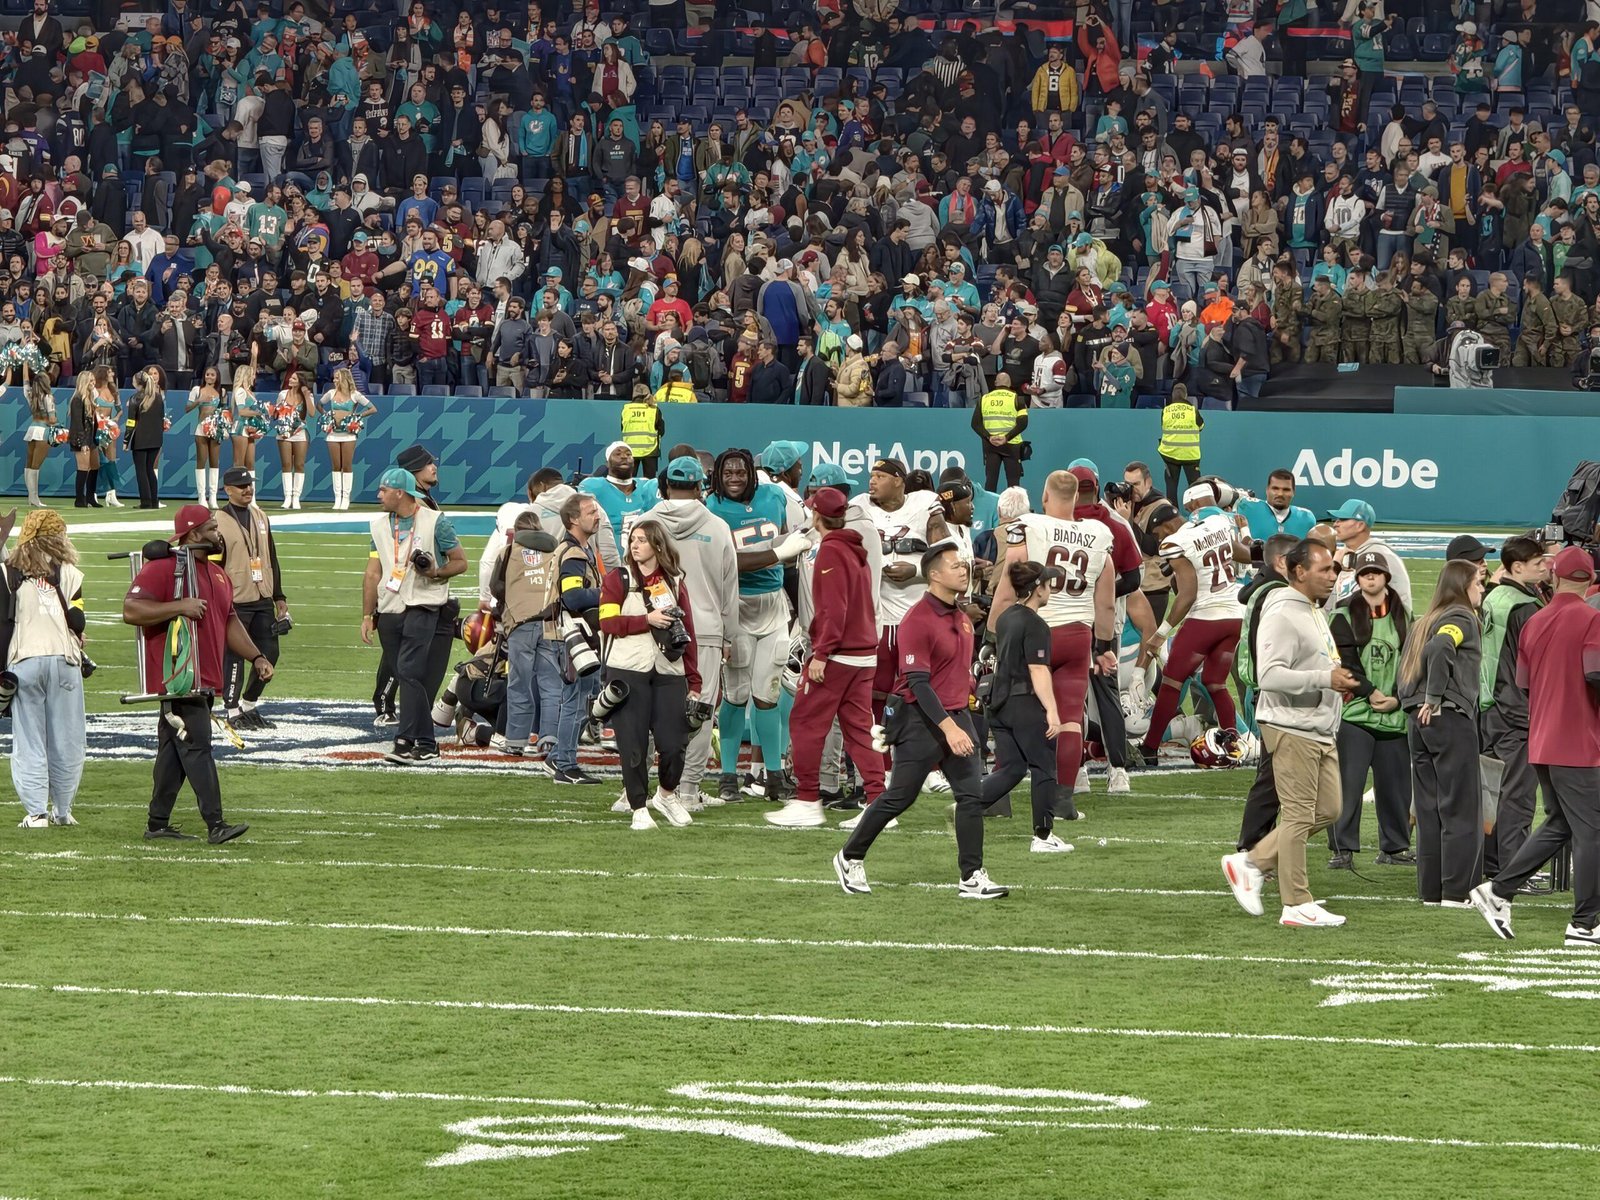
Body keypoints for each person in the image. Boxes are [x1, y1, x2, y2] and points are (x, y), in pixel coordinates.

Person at [832, 541, 1009, 900]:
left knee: (971, 797)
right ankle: (849, 856)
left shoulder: (962, 618)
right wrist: (949, 727)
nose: (963, 570)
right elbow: (918, 683)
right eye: (955, 565)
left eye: (963, 565)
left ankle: (971, 876)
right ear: (934, 575)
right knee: (900, 797)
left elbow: (955, 675)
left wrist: (968, 711)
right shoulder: (917, 619)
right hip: (921, 720)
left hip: (956, 717)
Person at [1221, 539, 1360, 928]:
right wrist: (1324, 679)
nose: (1333, 576)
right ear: (1299, 572)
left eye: (1334, 569)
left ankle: (1252, 863)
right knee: (1299, 814)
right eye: (1325, 569)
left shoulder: (1311, 608)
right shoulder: (1283, 611)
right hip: (1291, 725)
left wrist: (1336, 682)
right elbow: (1269, 675)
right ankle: (1296, 903)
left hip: (1318, 725)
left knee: (1328, 809)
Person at [1472, 547, 1600, 947]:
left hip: (1541, 739)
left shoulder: (1535, 619)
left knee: (1562, 824)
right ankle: (1585, 923)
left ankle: (1498, 891)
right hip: (1579, 742)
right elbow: (1595, 673)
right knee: (1592, 831)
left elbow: (1523, 682)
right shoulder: (1592, 618)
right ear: (1590, 580)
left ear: (1555, 577)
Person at [123, 505, 269, 844]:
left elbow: (229, 621)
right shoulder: (165, 568)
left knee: (174, 753)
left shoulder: (217, 574)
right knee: (198, 746)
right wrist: (179, 606)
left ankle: (157, 823)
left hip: (205, 678)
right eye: (213, 528)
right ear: (193, 534)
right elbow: (131, 610)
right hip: (178, 677)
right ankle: (215, 824)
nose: (219, 534)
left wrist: (257, 656)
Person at [991, 469, 1116, 806]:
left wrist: (992, 634)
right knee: (1071, 717)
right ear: (1075, 498)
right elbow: (1106, 601)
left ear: (1045, 496)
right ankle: (1063, 799)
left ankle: (997, 799)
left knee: (1009, 711)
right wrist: (1103, 647)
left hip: (1034, 629)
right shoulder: (1098, 533)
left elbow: (1007, 586)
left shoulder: (1029, 526)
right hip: (1078, 633)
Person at [768, 487, 884, 827]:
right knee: (859, 729)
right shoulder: (854, 547)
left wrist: (822, 653)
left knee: (805, 722)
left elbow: (834, 609)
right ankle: (878, 802)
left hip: (839, 655)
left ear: (816, 514)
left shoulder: (831, 551)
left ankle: (807, 800)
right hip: (863, 652)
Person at [706, 447, 812, 804]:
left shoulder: (774, 497)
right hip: (736, 605)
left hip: (773, 604)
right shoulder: (712, 507)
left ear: (752, 472)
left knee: (768, 695)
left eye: (740, 472)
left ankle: (774, 775)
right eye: (727, 473)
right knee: (736, 695)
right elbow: (728, 562)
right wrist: (778, 554)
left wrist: (798, 603)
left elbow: (785, 541)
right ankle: (728, 776)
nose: (734, 478)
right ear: (718, 477)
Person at [597, 518, 702, 829]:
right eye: (633, 539)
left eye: (642, 540)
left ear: (657, 545)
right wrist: (647, 620)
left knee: (675, 742)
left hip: (670, 670)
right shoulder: (618, 578)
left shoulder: (675, 581)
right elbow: (607, 623)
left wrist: (694, 680)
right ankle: (638, 807)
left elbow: (688, 631)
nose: (635, 545)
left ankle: (666, 795)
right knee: (633, 745)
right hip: (627, 668)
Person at [648, 456, 739, 809]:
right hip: (706, 630)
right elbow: (730, 586)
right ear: (701, 486)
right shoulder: (717, 526)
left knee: (649, 709)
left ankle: (635, 788)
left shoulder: (646, 522)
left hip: (655, 628)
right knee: (698, 711)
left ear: (666, 485)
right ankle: (687, 790)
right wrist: (728, 634)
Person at [359, 468, 467, 765]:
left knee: (408, 670)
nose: (378, 495)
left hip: (424, 603)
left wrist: (436, 572)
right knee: (406, 674)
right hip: (389, 606)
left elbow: (460, 562)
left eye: (383, 490)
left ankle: (414, 741)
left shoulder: (435, 521)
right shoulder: (379, 526)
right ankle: (416, 741)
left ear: (400, 493)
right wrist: (367, 614)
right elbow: (373, 573)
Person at [1136, 486, 1249, 765]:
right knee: (1215, 682)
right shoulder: (1218, 522)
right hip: (1235, 614)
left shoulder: (1176, 542)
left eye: (1157, 534)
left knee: (1172, 681)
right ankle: (1233, 745)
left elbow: (1187, 594)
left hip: (1207, 616)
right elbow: (1245, 554)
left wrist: (1161, 634)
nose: (1159, 540)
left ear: (1164, 526)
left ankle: (1149, 748)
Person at [1398, 559, 1484, 907]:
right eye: (1478, 583)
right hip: (1447, 718)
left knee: (1429, 809)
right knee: (1460, 807)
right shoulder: (1461, 617)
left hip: (1418, 723)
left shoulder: (1423, 621)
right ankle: (1457, 892)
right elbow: (1441, 647)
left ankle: (1431, 892)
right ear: (1463, 586)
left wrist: (1418, 702)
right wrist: (1434, 698)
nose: (1482, 589)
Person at [980, 559, 1077, 852]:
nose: (1050, 588)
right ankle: (1043, 836)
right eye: (1047, 583)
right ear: (1037, 589)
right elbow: (1038, 669)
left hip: (999, 703)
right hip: (1024, 703)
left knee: (1012, 768)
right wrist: (1052, 711)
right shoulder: (1036, 624)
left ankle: (969, 804)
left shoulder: (1006, 617)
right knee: (1044, 767)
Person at [1327, 550, 1413, 869]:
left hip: (1394, 715)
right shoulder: (1343, 615)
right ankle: (1342, 849)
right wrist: (1372, 692)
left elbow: (1413, 664)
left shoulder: (1405, 616)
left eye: (1376, 572)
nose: (1371, 577)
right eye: (1365, 572)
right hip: (1356, 716)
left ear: (1386, 577)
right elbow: (1344, 663)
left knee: (1396, 787)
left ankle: (1394, 848)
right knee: (1348, 786)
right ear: (1358, 578)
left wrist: (1397, 698)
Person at [2, 511, 86, 828]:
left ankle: (36, 812)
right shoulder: (70, 573)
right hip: (64, 660)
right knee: (68, 738)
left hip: (24, 658)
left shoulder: (8, 573)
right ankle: (63, 810)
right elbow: (79, 622)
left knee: (29, 739)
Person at [1478, 536, 1550, 881]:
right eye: (1538, 562)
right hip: (1517, 711)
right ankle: (1514, 870)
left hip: (1489, 706)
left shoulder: (1494, 596)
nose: (1546, 566)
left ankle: (1492, 865)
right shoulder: (1525, 607)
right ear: (1517, 567)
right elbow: (1536, 666)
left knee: (1492, 794)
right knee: (1517, 796)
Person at [214, 467, 288, 731]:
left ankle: (249, 704)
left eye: (249, 485)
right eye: (241, 486)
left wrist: (279, 595)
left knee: (270, 652)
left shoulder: (261, 516)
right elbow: (214, 566)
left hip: (262, 594)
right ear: (228, 490)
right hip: (235, 598)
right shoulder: (217, 521)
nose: (248, 489)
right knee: (234, 656)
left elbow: (272, 556)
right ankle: (232, 710)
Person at [490, 511, 563, 759]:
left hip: (520, 623)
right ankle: (549, 740)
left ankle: (516, 741)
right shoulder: (556, 551)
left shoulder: (508, 552)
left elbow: (496, 587)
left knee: (519, 683)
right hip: (550, 623)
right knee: (551, 685)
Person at [548, 491, 606, 786]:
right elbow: (572, 597)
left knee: (587, 695)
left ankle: (558, 756)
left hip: (573, 635)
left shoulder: (578, 549)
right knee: (578, 699)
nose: (597, 516)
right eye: (590, 512)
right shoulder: (573, 553)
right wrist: (608, 593)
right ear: (573, 519)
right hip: (573, 636)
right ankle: (565, 765)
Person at [1326, 498, 1413, 611]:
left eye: (1343, 519)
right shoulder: (1340, 556)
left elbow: (1402, 600)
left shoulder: (1384, 556)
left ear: (1360, 525)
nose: (1335, 524)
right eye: (1336, 519)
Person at [321, 368, 377, 510]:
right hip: (333, 434)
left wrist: (357, 417)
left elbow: (372, 409)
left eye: (337, 377)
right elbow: (319, 405)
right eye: (334, 378)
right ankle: (337, 498)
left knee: (346, 465)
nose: (334, 380)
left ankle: (346, 497)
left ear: (344, 378)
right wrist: (327, 416)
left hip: (348, 434)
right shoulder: (331, 393)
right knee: (336, 466)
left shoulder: (355, 395)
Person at [973, 371, 1028, 491]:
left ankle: (989, 504)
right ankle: (1015, 504)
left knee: (990, 482)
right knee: (1014, 483)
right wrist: (1006, 437)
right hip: (1012, 445)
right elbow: (1023, 423)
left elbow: (975, 424)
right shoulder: (1017, 399)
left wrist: (989, 437)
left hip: (991, 445)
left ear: (995, 383)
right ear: (1010, 384)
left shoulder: (984, 399)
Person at [271, 370, 316, 510]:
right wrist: (274, 411)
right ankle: (287, 497)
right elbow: (276, 413)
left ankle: (296, 497)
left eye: (294, 378)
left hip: (300, 433)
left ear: (300, 382)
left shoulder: (307, 396)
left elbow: (312, 413)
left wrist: (307, 396)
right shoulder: (282, 394)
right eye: (291, 377)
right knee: (286, 464)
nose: (290, 379)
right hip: (284, 433)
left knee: (299, 464)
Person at [185, 366, 229, 507]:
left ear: (217, 377)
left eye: (212, 375)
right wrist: (199, 400)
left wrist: (225, 428)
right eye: (207, 374)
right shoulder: (197, 390)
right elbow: (187, 408)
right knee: (201, 461)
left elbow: (224, 411)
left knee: (214, 462)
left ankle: (213, 497)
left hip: (216, 429)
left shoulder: (222, 392)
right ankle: (201, 496)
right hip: (201, 429)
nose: (209, 377)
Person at [1236, 469, 1316, 541]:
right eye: (1275, 488)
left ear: (1293, 492)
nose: (1280, 494)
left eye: (1286, 490)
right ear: (1267, 490)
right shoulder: (1247, 508)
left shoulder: (1306, 518)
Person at [1156, 382, 1202, 503]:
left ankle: (1173, 512)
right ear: (1186, 395)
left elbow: (1163, 426)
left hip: (1170, 454)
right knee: (1196, 489)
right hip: (1190, 455)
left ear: (1173, 395)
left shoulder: (1166, 411)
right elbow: (1201, 426)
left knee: (1171, 488)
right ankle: (1198, 511)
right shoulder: (1192, 410)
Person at [21, 377, 59, 509]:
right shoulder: (48, 397)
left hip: (32, 429)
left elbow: (25, 382)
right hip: (43, 431)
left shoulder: (31, 395)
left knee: (29, 464)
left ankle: (31, 497)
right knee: (36, 466)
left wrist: (25, 366)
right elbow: (52, 419)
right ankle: (34, 498)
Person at [620, 387, 665, 478]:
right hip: (650, 450)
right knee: (650, 482)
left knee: (628, 480)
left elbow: (622, 428)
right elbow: (661, 430)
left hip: (630, 450)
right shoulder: (654, 409)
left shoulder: (626, 409)